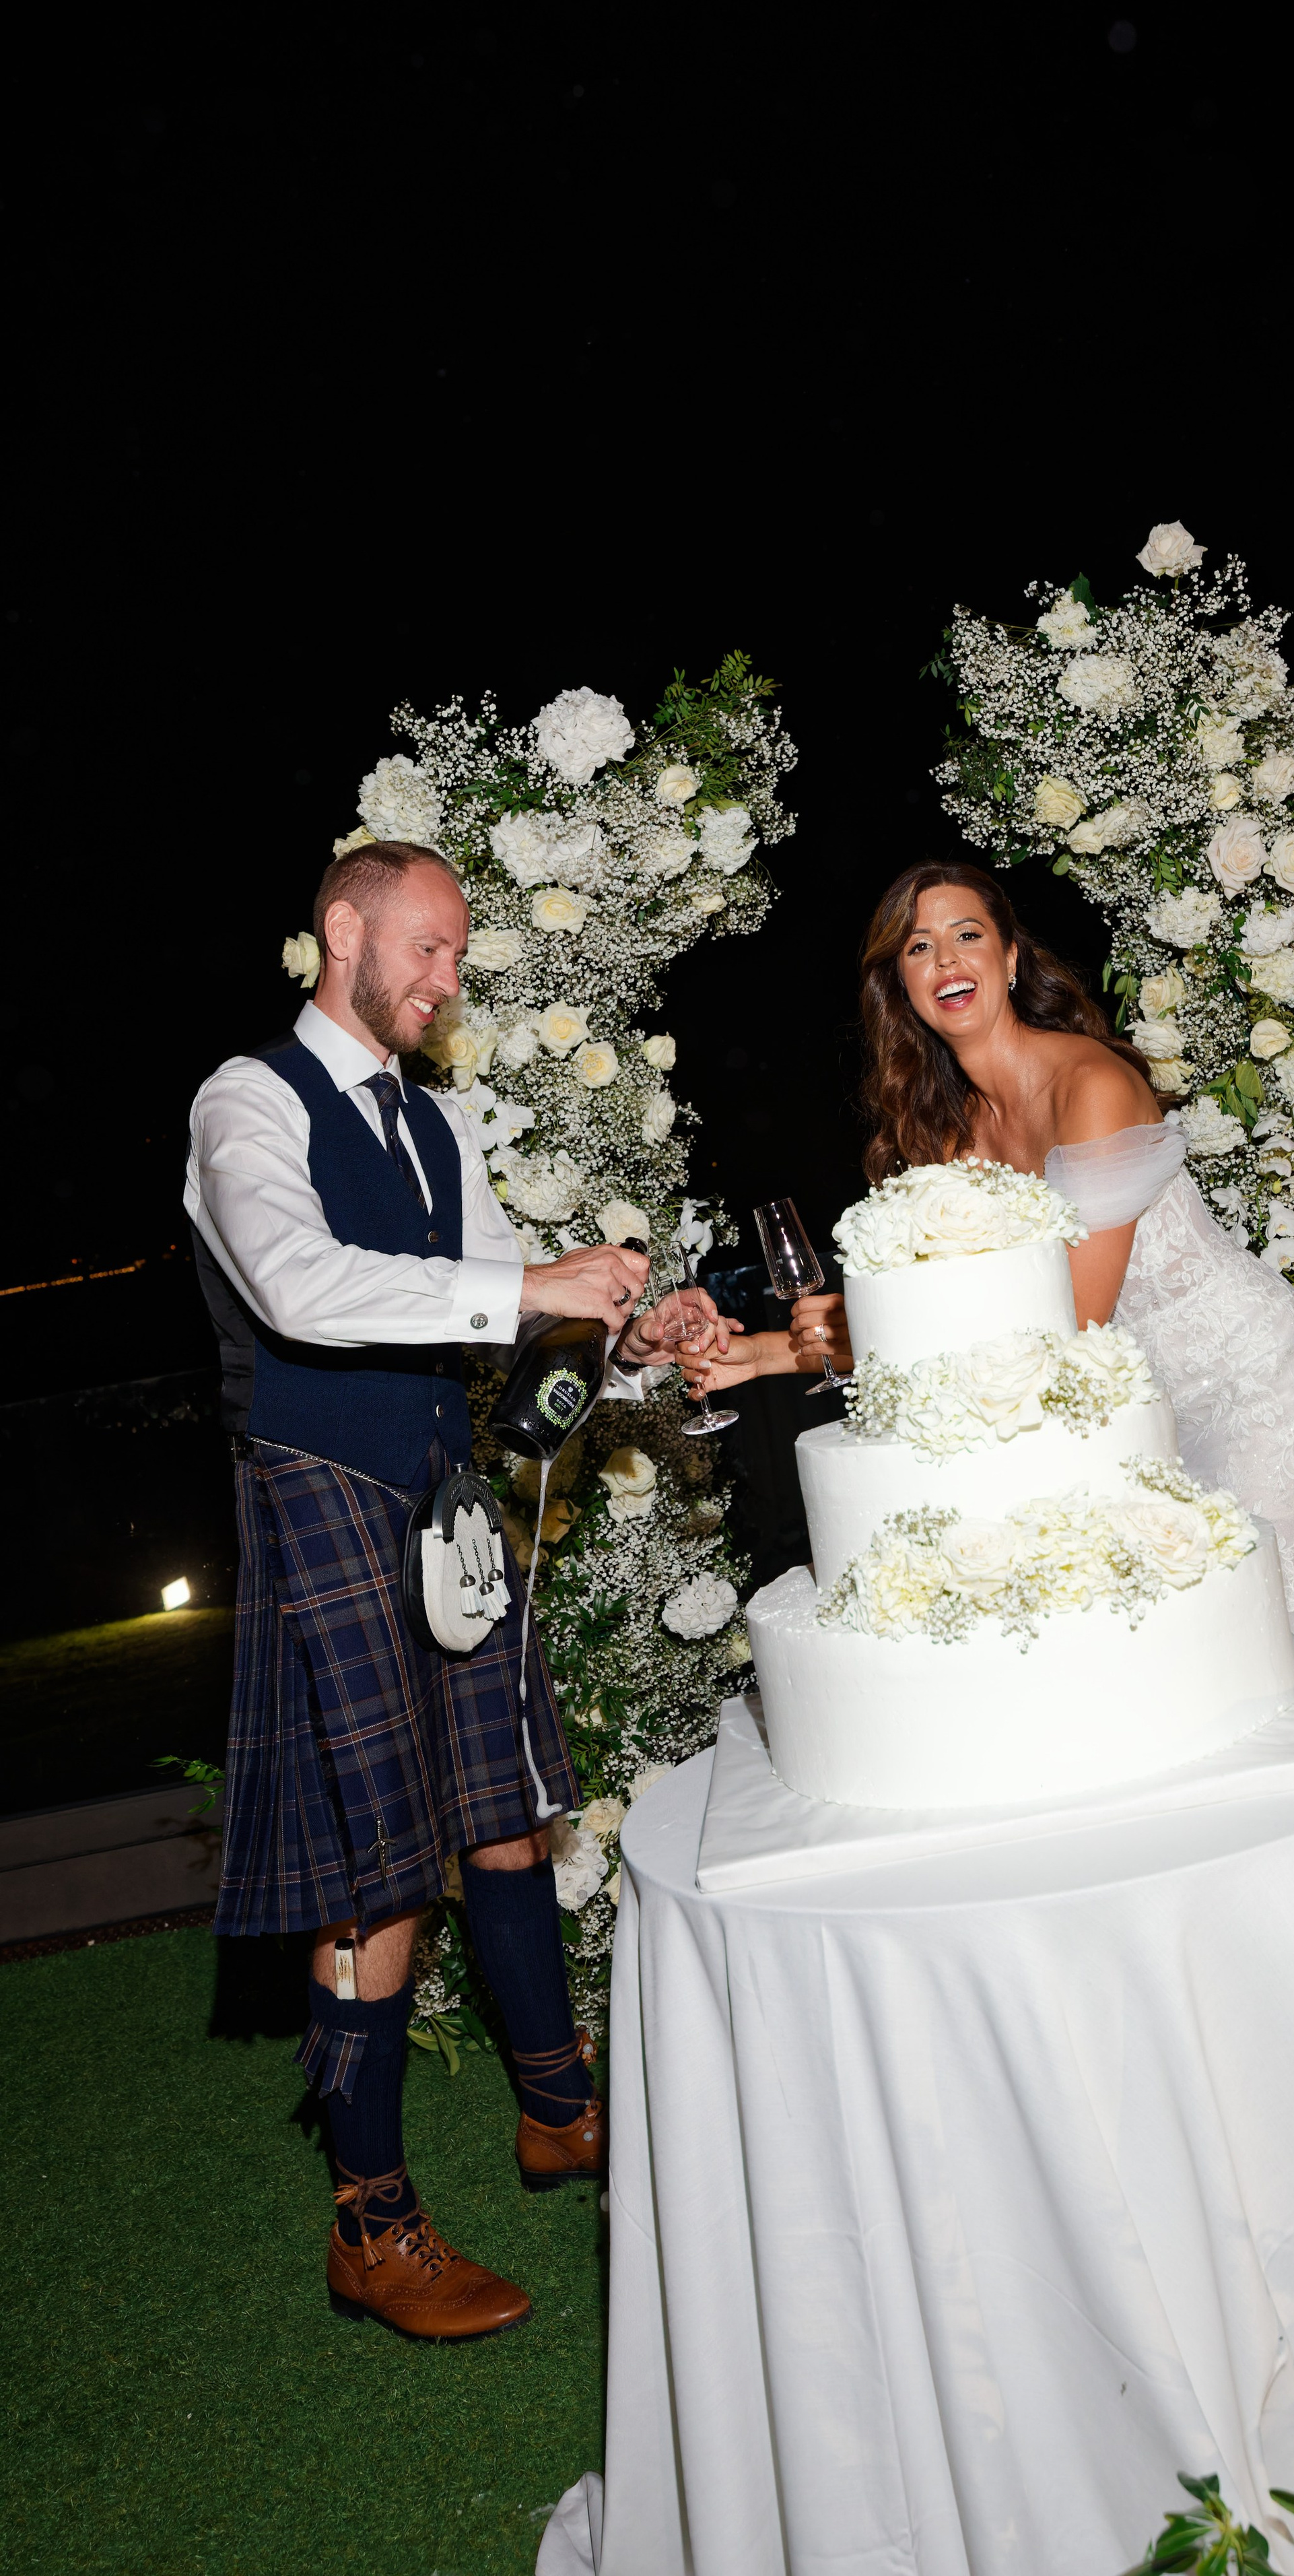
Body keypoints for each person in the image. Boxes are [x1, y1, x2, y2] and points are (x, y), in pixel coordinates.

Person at [186, 838, 722, 2340]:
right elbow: (298, 1287)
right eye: (427, 948)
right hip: (319, 1494)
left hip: (441, 1498)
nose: (446, 979)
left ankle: (557, 2113)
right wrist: (534, 1287)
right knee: (377, 1868)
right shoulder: (245, 1101)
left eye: (458, 958)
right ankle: (372, 2226)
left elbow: (500, 1318)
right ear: (341, 931)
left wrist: (622, 1330)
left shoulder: (433, 1122)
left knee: (503, 1809)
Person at [687, 858, 1294, 1650]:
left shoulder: (1091, 1086)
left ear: (1009, 958)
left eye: (967, 936)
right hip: (1121, 1406)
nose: (947, 962)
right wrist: (765, 1352)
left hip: (1245, 1382)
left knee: (1270, 1626)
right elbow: (954, 1319)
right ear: (899, 986)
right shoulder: (942, 1133)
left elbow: (1068, 1320)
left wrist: (847, 1330)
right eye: (918, 948)